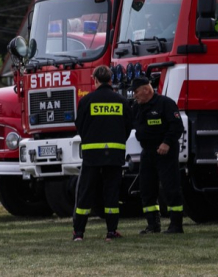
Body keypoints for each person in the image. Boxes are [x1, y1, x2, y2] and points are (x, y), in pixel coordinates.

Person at [72, 66, 132, 242]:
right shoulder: (121, 101)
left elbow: (79, 126)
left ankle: (79, 233)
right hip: (114, 154)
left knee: (85, 193)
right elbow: (128, 126)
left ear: (95, 80)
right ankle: (111, 232)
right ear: (111, 80)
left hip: (91, 155)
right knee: (111, 193)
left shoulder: (87, 100)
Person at [130, 76, 186, 234]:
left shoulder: (165, 103)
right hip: (147, 151)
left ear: (146, 90)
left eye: (136, 92)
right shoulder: (137, 107)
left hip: (165, 151)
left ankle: (176, 225)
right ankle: (153, 225)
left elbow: (177, 126)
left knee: (171, 187)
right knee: (146, 188)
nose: (134, 95)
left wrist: (166, 143)